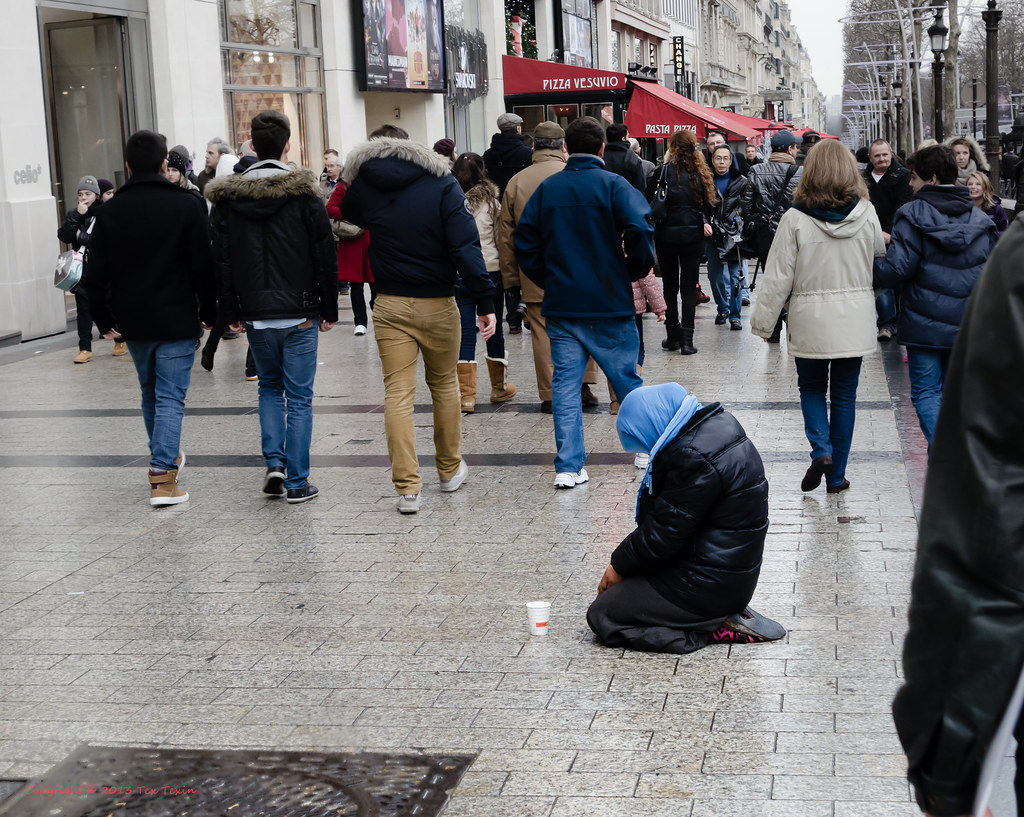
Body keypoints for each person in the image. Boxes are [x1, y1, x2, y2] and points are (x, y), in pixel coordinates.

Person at [892, 219, 1024, 817]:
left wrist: (947, 754)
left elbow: (988, 502)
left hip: (927, 326)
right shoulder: (993, 233)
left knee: (931, 392)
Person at [341, 125, 496, 514]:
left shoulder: (366, 185)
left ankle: (407, 489)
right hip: (438, 300)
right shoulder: (441, 183)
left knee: (397, 393)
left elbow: (344, 210)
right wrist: (484, 298)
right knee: (444, 385)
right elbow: (465, 244)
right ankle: (447, 470)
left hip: (389, 301)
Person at [586, 382, 784, 654]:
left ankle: (706, 628)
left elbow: (662, 535)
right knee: (627, 593)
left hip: (708, 585)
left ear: (653, 423)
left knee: (603, 614)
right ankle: (708, 616)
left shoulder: (693, 457)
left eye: (643, 440)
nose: (646, 450)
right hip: (724, 574)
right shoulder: (715, 428)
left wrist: (617, 566)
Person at [207, 110, 339, 504]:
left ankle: (275, 464)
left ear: (251, 143)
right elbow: (324, 255)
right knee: (299, 397)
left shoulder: (229, 201)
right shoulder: (304, 196)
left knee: (268, 388)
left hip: (255, 313)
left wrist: (230, 312)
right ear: (287, 146)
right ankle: (298, 482)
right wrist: (329, 307)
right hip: (300, 312)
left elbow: (222, 261)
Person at [514, 116, 654, 488]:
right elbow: (640, 228)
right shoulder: (614, 185)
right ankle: (645, 448)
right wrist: (634, 268)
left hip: (563, 302)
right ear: (602, 149)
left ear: (566, 148)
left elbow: (524, 240)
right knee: (626, 378)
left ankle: (569, 465)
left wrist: (547, 277)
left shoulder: (549, 189)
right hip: (609, 300)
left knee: (565, 385)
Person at [84, 129, 217, 506]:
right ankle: (162, 475)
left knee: (150, 392)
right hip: (176, 315)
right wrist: (209, 311)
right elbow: (202, 267)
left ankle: (167, 457)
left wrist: (103, 317)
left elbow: (97, 272)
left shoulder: (110, 210)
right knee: (171, 397)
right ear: (164, 164)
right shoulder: (187, 205)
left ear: (127, 165)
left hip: (134, 320)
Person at [750, 138, 884, 494]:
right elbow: (878, 255)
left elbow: (778, 277)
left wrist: (764, 323)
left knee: (810, 387)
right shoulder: (866, 212)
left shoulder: (794, 219)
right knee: (844, 395)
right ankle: (837, 476)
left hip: (809, 318)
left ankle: (821, 450)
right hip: (854, 319)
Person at [873, 144, 996, 449]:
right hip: (967, 323)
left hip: (923, 323)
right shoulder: (981, 222)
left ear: (931, 179)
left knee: (927, 393)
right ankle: (955, 457)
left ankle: (946, 455)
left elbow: (897, 268)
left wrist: (871, 264)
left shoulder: (911, 214)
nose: (910, 184)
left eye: (913, 178)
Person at [497, 120, 602, 414]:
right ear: (563, 146)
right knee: (584, 324)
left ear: (533, 147)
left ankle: (551, 393)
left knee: (543, 331)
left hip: (535, 270)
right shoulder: (579, 175)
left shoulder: (517, 181)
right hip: (581, 268)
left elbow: (506, 235)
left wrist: (511, 278)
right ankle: (584, 384)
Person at [451, 153, 516, 413]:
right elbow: (501, 237)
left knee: (466, 331)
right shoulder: (491, 202)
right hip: (489, 270)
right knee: (493, 327)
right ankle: (498, 388)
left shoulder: (449, 200)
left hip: (459, 273)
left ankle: (467, 396)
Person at [646, 129, 716, 356]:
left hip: (666, 236)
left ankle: (672, 336)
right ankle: (687, 340)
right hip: (692, 237)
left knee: (670, 285)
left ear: (672, 147)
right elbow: (709, 205)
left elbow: (650, 200)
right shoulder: (701, 173)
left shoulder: (662, 172)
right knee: (688, 287)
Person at [741, 129, 803, 343]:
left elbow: (746, 205)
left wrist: (757, 222)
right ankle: (795, 329)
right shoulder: (800, 173)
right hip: (795, 236)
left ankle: (774, 331)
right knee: (796, 283)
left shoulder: (757, 170)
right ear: (790, 149)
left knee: (772, 283)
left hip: (766, 237)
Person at [57, 175, 126, 363]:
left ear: (96, 195)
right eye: (80, 194)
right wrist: (78, 216)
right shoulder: (75, 214)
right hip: (81, 270)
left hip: (102, 269)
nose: (83, 197)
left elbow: (100, 242)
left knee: (110, 305)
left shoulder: (104, 214)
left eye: (88, 193)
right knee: (83, 310)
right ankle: (85, 348)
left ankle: (120, 340)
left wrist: (79, 236)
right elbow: (63, 235)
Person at [864, 139, 914, 342]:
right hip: (872, 236)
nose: (882, 159)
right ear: (870, 158)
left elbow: (905, 204)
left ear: (891, 154)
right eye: (877, 155)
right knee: (881, 279)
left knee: (899, 280)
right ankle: (886, 324)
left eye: (885, 154)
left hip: (896, 235)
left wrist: (889, 231)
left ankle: (900, 322)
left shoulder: (902, 176)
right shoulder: (863, 178)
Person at [325, 177, 375, 336]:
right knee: (356, 284)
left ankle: (380, 317)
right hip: (352, 241)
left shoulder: (376, 183)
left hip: (373, 240)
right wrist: (350, 214)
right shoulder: (344, 186)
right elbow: (330, 208)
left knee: (377, 284)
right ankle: (360, 322)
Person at [708, 144, 748, 330]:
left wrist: (738, 220)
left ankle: (735, 315)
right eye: (718, 158)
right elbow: (699, 205)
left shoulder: (741, 181)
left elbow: (747, 206)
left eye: (725, 158)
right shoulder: (706, 180)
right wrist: (704, 222)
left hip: (734, 234)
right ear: (712, 159)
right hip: (713, 233)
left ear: (731, 161)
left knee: (735, 276)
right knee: (715, 276)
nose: (722, 162)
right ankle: (722, 308)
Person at [483, 112, 533, 198]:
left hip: (496, 200)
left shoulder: (488, 154)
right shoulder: (527, 153)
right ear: (518, 129)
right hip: (519, 199)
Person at [602, 123, 646, 193]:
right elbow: (640, 187)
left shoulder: (600, 156)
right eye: (628, 136)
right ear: (623, 139)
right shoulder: (632, 158)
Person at [965, 170, 1009, 238]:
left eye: (978, 184)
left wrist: (988, 236)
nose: (973, 187)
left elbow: (1005, 232)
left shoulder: (996, 209)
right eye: (970, 184)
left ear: (985, 188)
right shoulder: (962, 208)